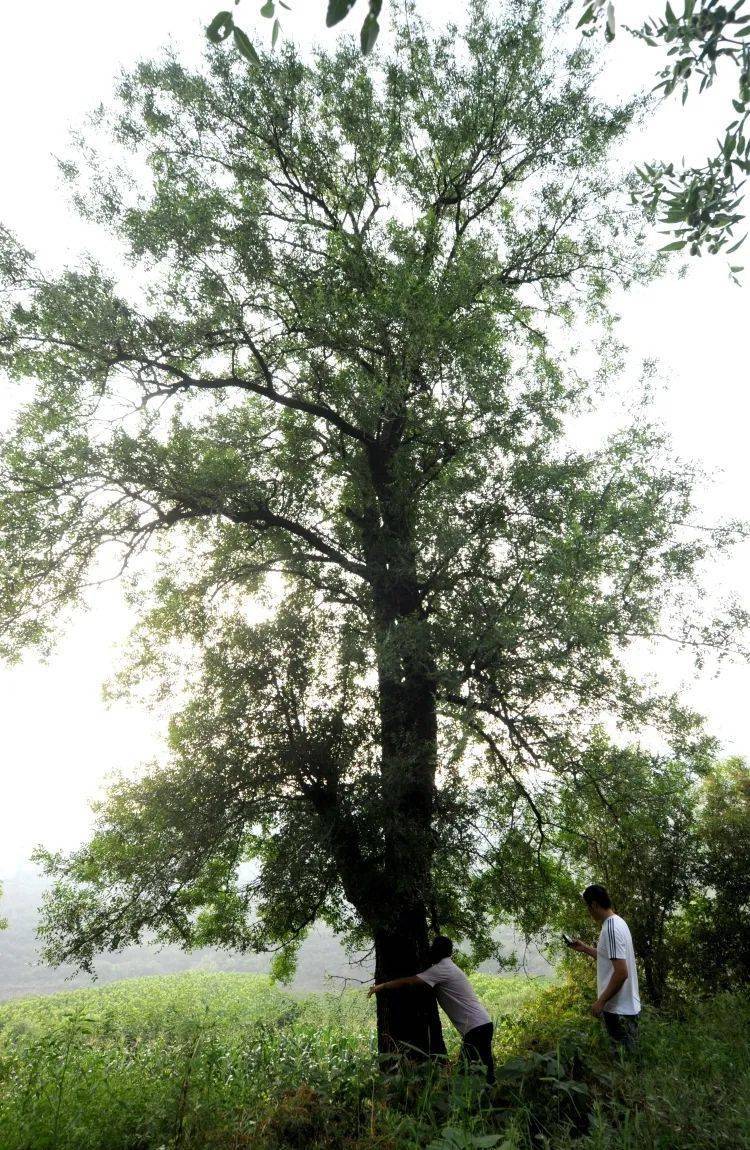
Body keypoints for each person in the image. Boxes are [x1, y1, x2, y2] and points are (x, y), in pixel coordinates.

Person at [368, 936, 495, 1084]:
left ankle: (473, 1101)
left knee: (464, 1071)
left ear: (437, 951)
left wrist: (381, 986)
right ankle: (491, 1097)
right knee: (485, 1068)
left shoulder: (441, 970)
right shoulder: (449, 967)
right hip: (483, 1023)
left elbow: (409, 981)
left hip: (475, 1028)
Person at [569, 884, 641, 1053]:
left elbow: (622, 972)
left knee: (623, 1061)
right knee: (630, 1062)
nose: (588, 911)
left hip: (619, 1009)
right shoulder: (619, 922)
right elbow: (609, 959)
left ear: (594, 905)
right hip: (626, 1007)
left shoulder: (610, 928)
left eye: (588, 907)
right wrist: (585, 948)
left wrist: (601, 1001)